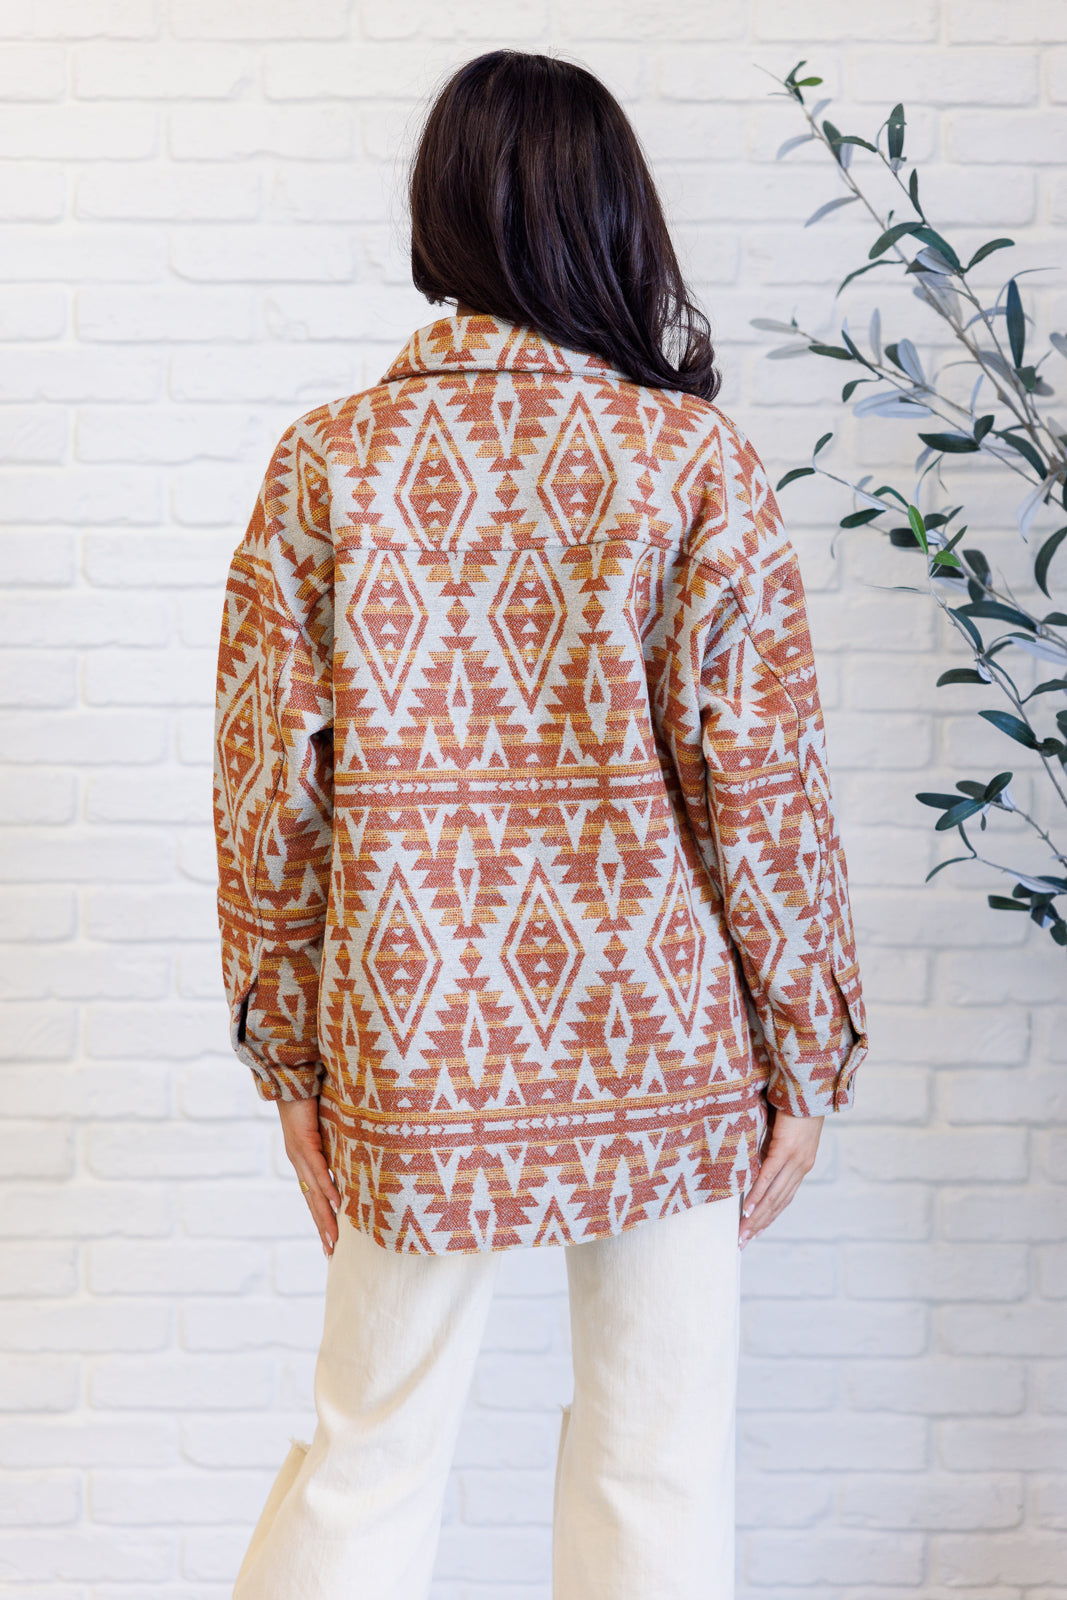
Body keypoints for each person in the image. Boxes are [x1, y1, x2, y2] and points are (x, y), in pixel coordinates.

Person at [213, 47, 869, 1600]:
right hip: (660, 1036)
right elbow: (763, 788)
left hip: (414, 1032)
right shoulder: (692, 462)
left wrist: (288, 1056)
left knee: (368, 1450)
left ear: (443, 214)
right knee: (656, 1462)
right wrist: (806, 1047)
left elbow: (265, 800)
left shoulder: (328, 466)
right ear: (614, 220)